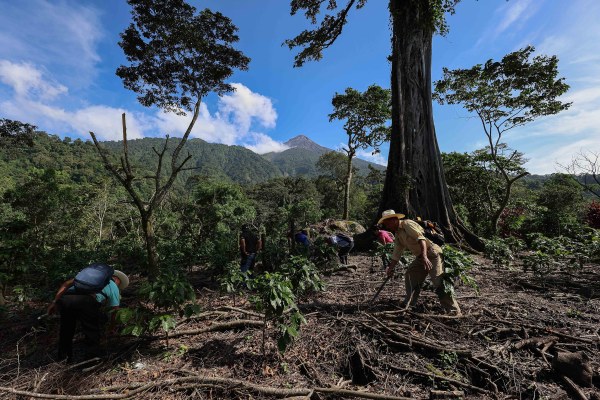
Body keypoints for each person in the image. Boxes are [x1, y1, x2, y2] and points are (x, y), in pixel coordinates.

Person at [378, 210, 461, 315]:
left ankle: (453, 311)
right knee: (410, 274)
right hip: (421, 256)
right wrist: (391, 267)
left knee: (438, 281)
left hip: (432, 253)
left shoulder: (407, 224)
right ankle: (409, 303)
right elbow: (397, 252)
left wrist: (425, 257)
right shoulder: (398, 233)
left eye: (387, 223)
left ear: (394, 220)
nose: (386, 226)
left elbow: (421, 239)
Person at [47, 266, 129, 362]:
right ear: (116, 279)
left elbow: (66, 284)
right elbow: (115, 310)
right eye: (119, 283)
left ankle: (63, 359)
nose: (119, 286)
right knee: (92, 331)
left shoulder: (87, 279)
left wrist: (54, 302)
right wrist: (112, 327)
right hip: (86, 302)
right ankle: (91, 361)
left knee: (66, 330)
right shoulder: (113, 285)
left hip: (66, 299)